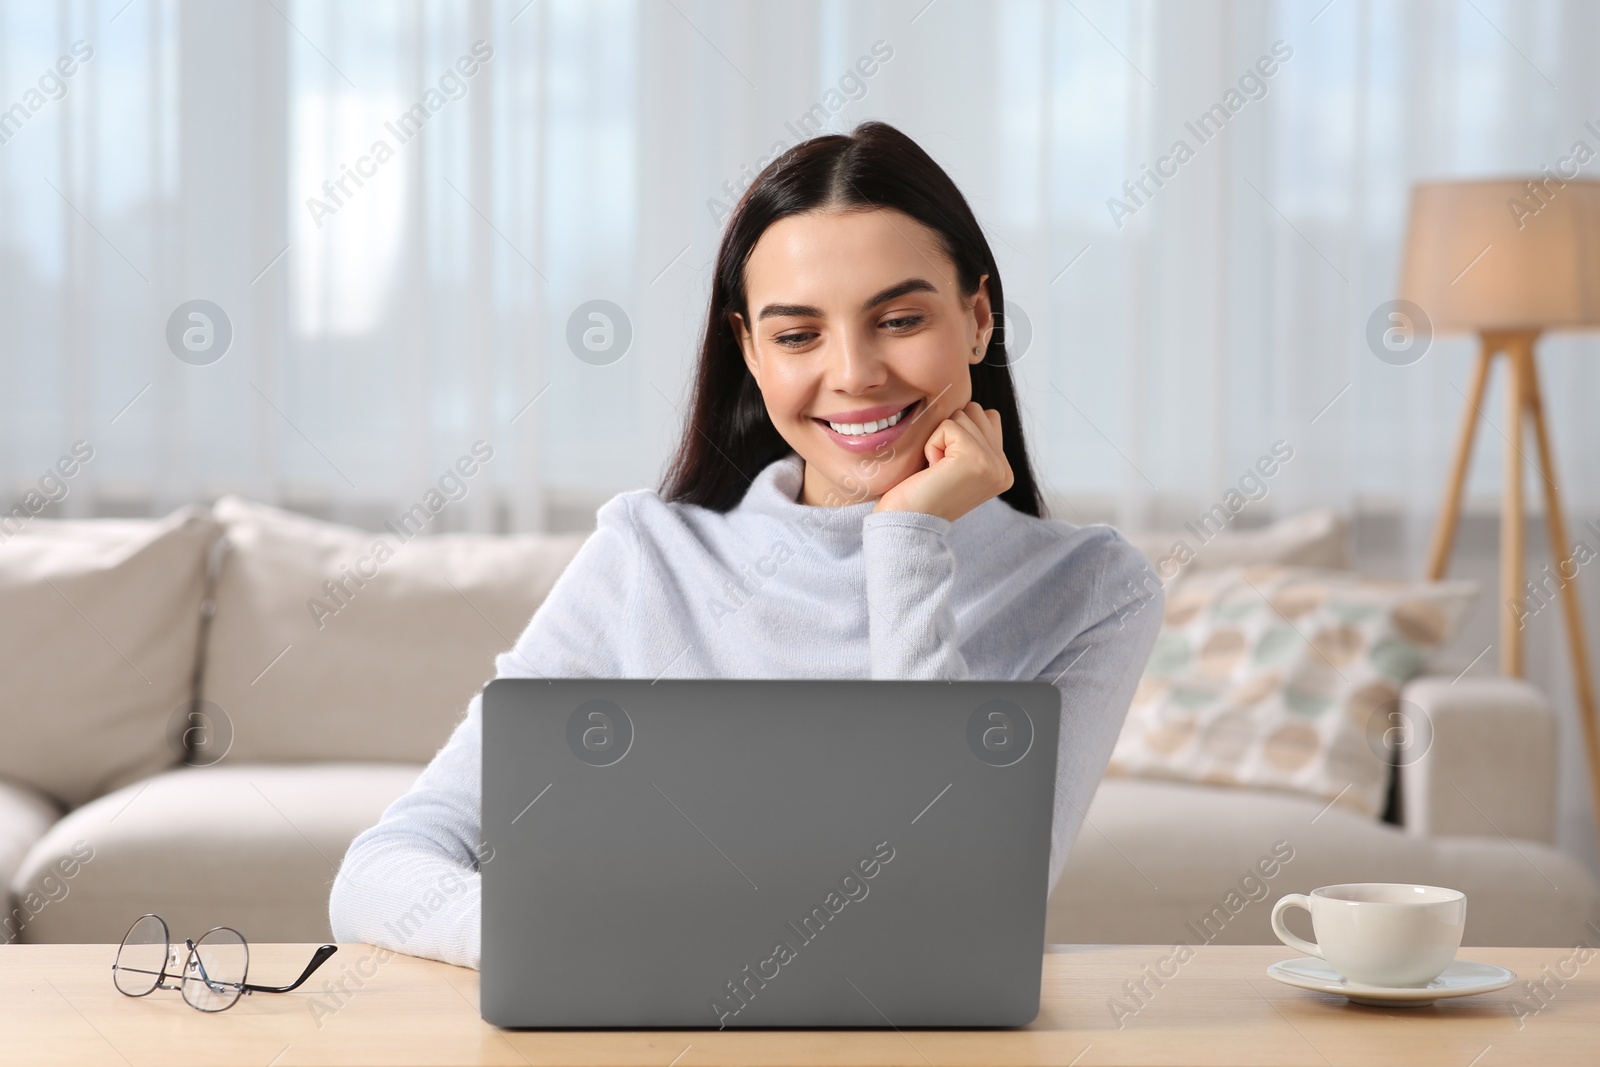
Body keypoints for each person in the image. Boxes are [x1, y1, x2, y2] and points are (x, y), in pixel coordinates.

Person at [328, 120, 1164, 969]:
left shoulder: (1093, 588)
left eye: (900, 318)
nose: (855, 373)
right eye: (798, 334)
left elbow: (966, 912)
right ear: (749, 351)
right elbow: (380, 873)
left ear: (979, 318)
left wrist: (908, 537)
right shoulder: (645, 555)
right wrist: (598, 949)